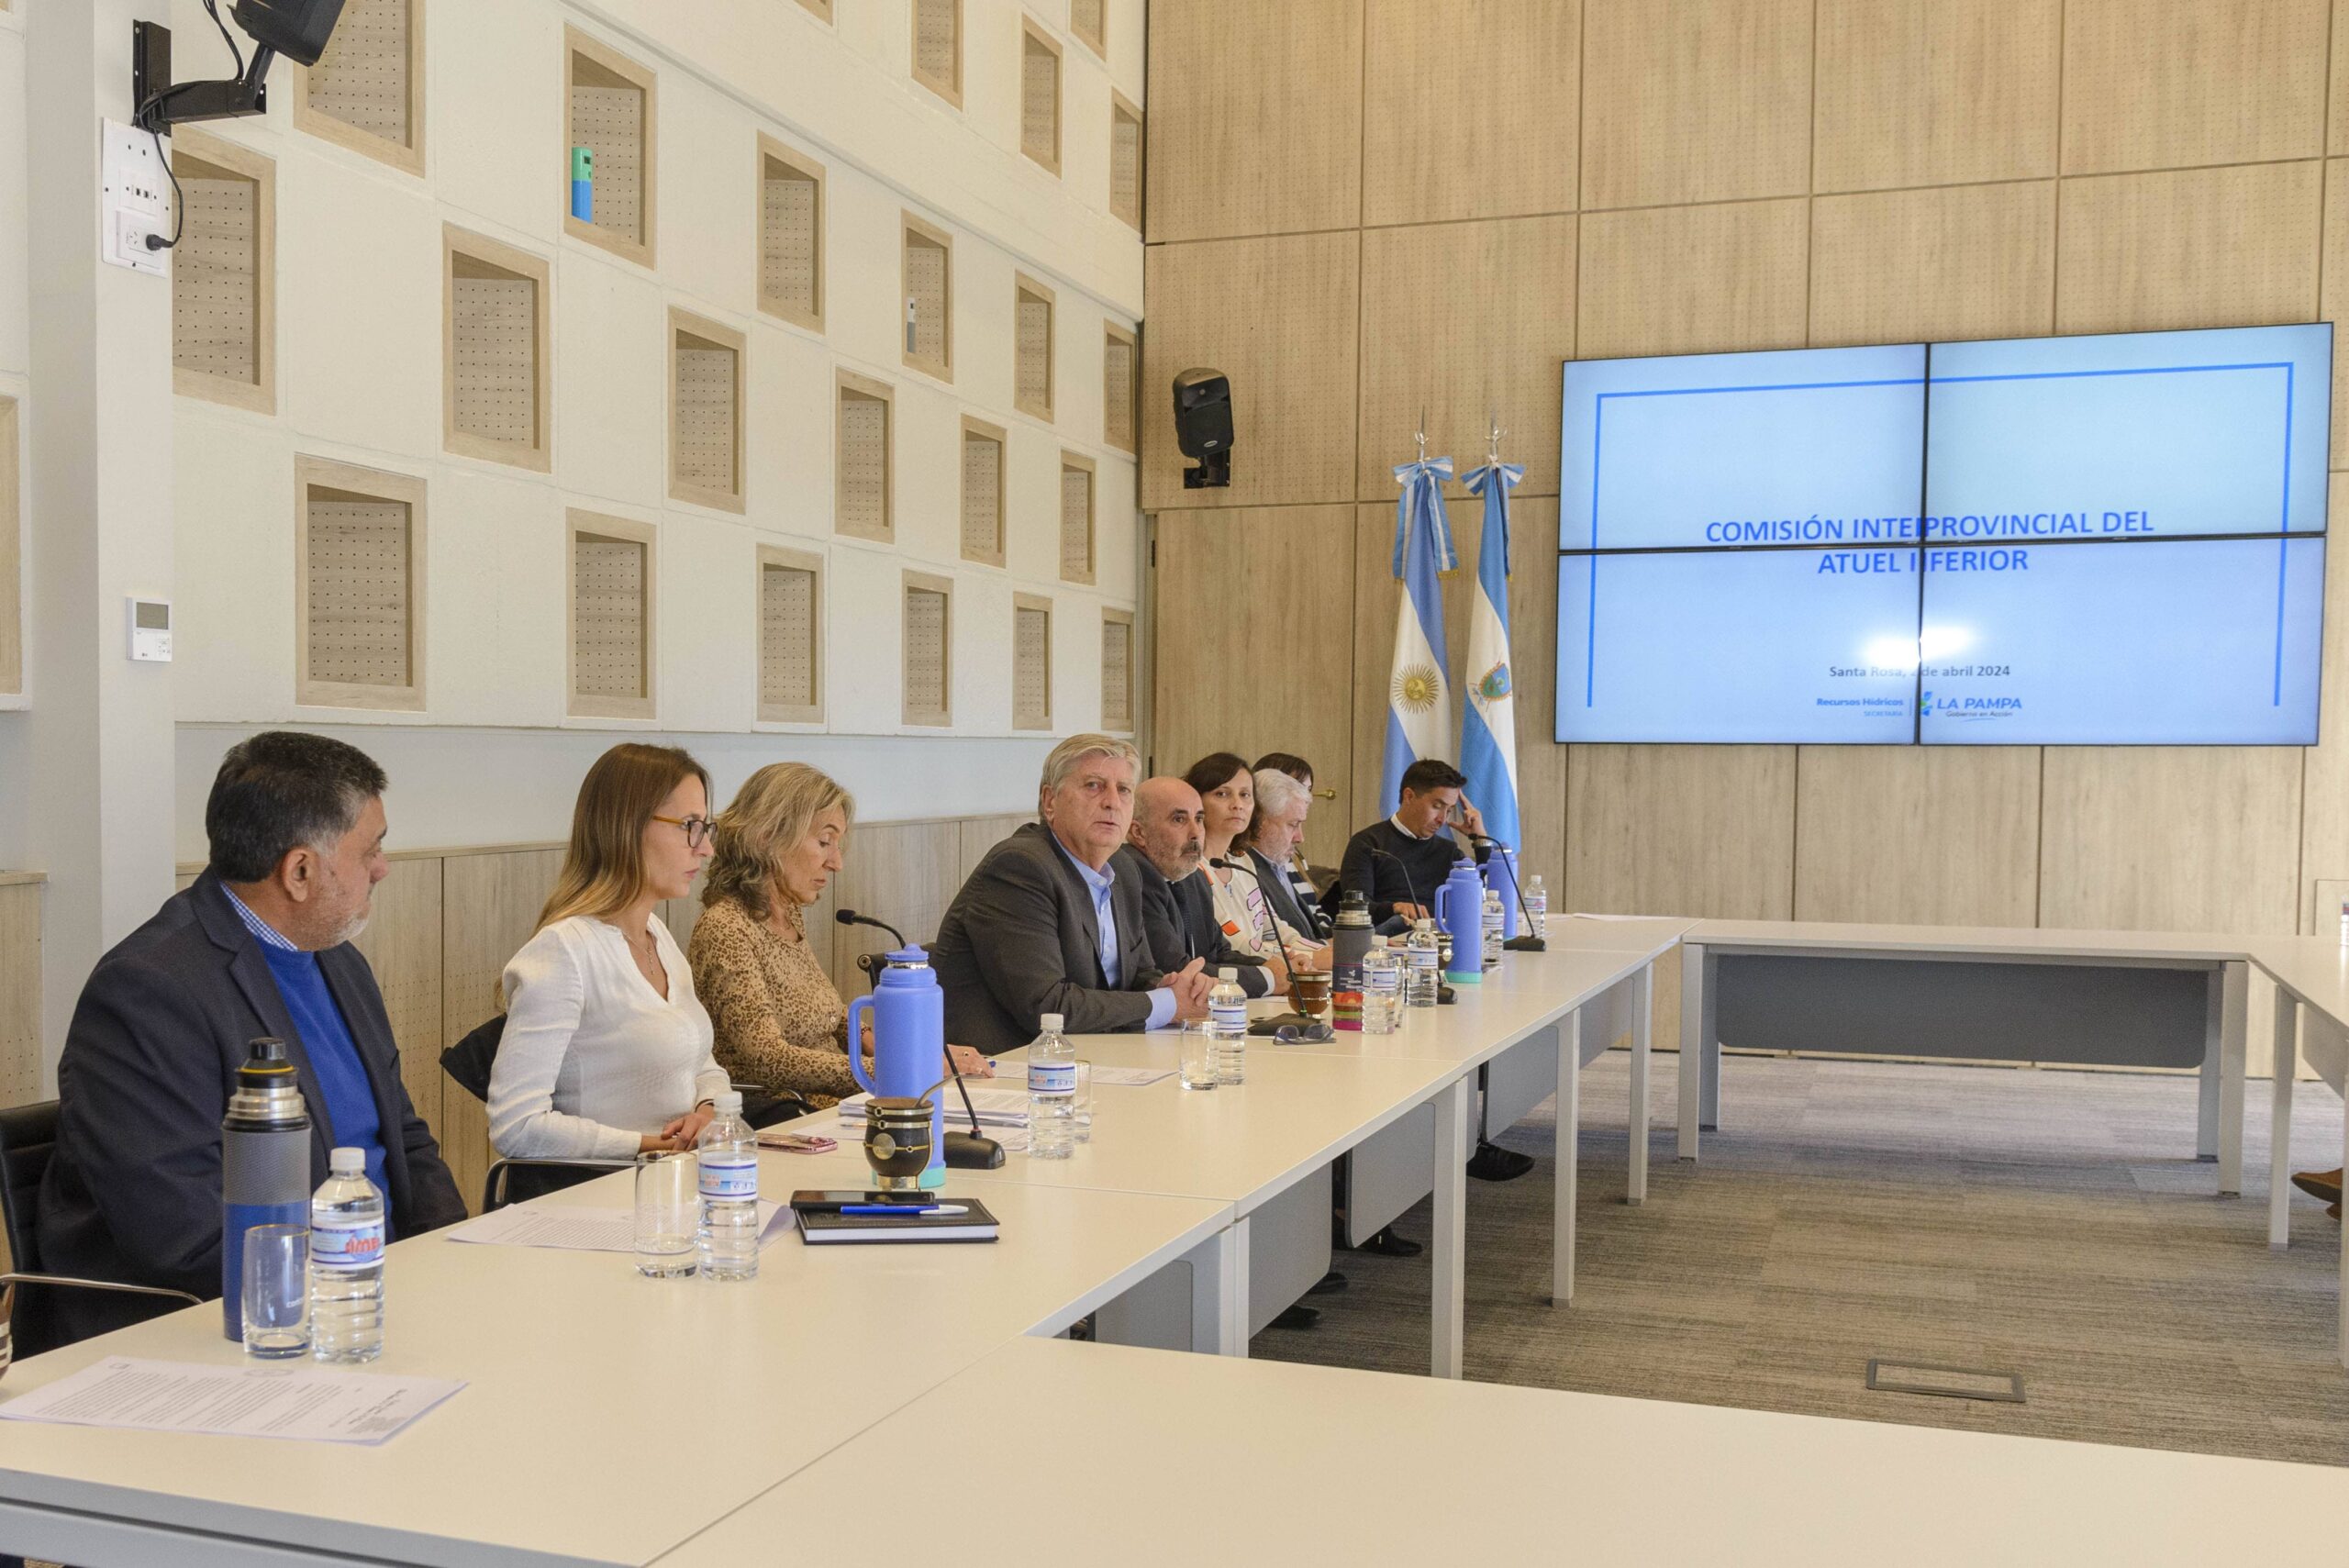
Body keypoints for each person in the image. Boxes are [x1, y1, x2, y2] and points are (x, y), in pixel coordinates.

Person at [38, 732, 466, 1343]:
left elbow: (405, 1139)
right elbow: (184, 1236)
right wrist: (348, 1295)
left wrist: (451, 1259)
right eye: (370, 848)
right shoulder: (148, 991)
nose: (382, 868)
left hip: (373, 1304)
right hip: (227, 1332)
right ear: (299, 870)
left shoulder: (339, 960)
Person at [688, 762, 989, 1112]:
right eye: (824, 841)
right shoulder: (726, 929)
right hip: (786, 1113)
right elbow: (768, 1059)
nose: (836, 862)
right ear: (768, 836)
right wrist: (900, 1069)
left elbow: (827, 1011)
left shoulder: (787, 913)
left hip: (839, 1102)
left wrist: (885, 1044)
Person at [488, 744, 730, 1160]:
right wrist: (646, 1146)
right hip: (601, 1193)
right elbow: (517, 1126)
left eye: (706, 827)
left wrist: (710, 1109)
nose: (705, 848)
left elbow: (700, 1062)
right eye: (690, 825)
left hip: (673, 1180)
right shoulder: (565, 951)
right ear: (627, 828)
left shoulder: (657, 935)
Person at [930, 734, 1214, 1055]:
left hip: (1092, 1057)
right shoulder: (1019, 869)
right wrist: (1165, 1004)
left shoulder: (1123, 868)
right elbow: (1047, 1007)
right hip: (1003, 1069)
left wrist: (1174, 989)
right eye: (1093, 785)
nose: (1111, 802)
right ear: (1050, 801)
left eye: (1123, 790)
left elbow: (1139, 974)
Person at [1118, 775, 1274, 997]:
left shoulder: (1193, 876)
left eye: (1199, 819)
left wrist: (1271, 967)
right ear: (1139, 833)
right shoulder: (1133, 875)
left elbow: (1219, 953)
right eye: (1179, 819)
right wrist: (1269, 979)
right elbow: (1175, 969)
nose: (1195, 833)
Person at [1186, 752, 1328, 973]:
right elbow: (1233, 940)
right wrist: (1305, 958)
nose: (1237, 805)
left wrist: (1318, 952)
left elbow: (1274, 928)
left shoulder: (1242, 861)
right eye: (1222, 794)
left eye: (1245, 795)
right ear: (1197, 801)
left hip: (1268, 975)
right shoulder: (1190, 869)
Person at [1326, 757, 1491, 929]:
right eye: (1437, 806)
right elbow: (1356, 909)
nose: (1442, 819)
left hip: (1440, 939)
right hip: (1386, 941)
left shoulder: (1448, 851)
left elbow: (1484, 899)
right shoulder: (1368, 843)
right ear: (1409, 796)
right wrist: (1395, 907)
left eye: (1449, 810)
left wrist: (1481, 840)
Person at [1242, 768, 1330, 946]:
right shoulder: (1246, 870)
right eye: (1293, 825)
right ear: (1259, 821)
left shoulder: (1278, 863)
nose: (1300, 837)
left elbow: (1309, 932)